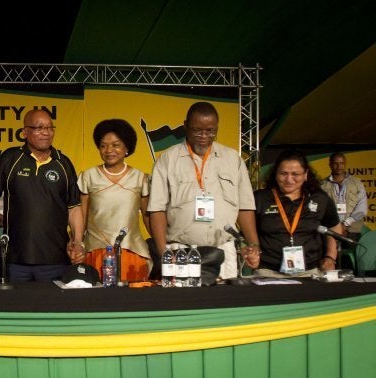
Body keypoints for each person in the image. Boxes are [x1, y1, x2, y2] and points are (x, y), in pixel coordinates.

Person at [0, 109, 84, 282]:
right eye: (38, 128)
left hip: (55, 259)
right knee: (18, 307)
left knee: (52, 308)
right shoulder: (11, 158)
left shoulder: (63, 163)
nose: (45, 132)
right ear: (24, 132)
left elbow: (74, 208)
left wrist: (78, 241)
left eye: (49, 128)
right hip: (16, 260)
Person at [147, 101, 260, 279]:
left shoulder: (232, 159)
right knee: (184, 303)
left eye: (210, 131)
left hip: (223, 250)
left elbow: (245, 207)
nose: (204, 136)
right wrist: (164, 254)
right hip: (181, 251)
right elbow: (157, 210)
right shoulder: (168, 159)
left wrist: (254, 245)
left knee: (224, 304)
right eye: (197, 130)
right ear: (185, 126)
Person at [78, 119, 152, 281]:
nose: (109, 150)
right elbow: (81, 215)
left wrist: (163, 247)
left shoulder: (140, 178)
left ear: (127, 148)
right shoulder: (88, 177)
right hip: (95, 252)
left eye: (115, 145)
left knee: (132, 303)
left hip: (131, 252)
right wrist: (77, 243)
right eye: (103, 145)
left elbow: (148, 216)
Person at [254, 149, 341, 277]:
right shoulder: (260, 198)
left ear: (305, 174)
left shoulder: (319, 199)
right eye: (283, 173)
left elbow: (334, 227)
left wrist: (330, 257)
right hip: (268, 272)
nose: (289, 179)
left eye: (295, 174)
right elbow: (247, 231)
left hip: (310, 271)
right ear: (275, 174)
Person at [320, 152, 367, 243]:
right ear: (330, 165)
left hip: (352, 230)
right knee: (331, 254)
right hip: (330, 230)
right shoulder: (322, 185)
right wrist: (335, 226)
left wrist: (345, 224)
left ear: (345, 164)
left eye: (341, 163)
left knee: (349, 255)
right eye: (335, 163)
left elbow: (362, 208)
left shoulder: (357, 183)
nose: (339, 166)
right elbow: (321, 209)